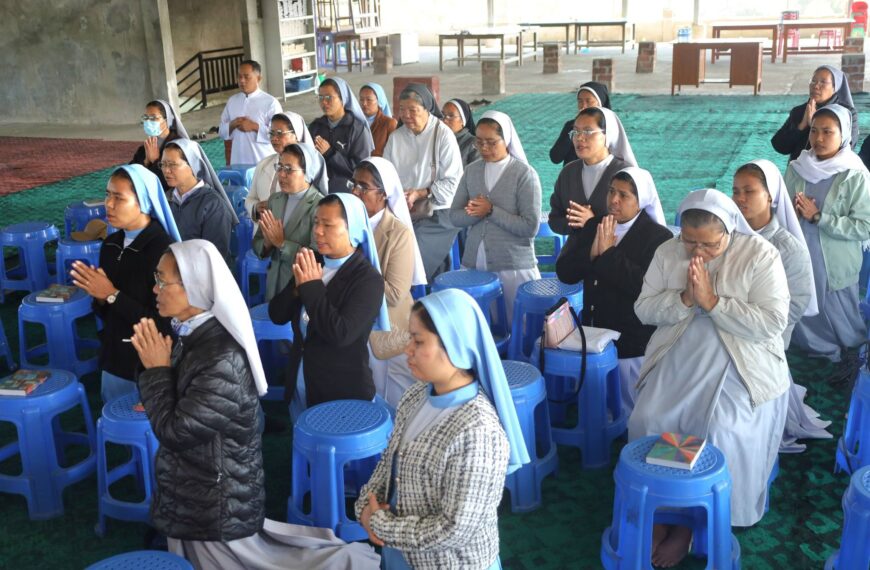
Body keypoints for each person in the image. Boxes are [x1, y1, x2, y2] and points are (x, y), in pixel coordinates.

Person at [130, 239, 379, 570]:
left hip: (215, 501)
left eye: (162, 279)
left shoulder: (220, 356)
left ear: (193, 285)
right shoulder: (193, 333)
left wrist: (157, 372)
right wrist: (156, 367)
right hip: (201, 488)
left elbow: (176, 431)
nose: (155, 287)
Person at [630, 189, 789, 566]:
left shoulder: (759, 255)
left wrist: (714, 303)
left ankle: (692, 522)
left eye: (710, 245)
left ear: (729, 232)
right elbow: (644, 309)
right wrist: (685, 299)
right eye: (690, 242)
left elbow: (772, 322)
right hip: (680, 347)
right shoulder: (669, 252)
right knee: (649, 418)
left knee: (722, 430)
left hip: (741, 356)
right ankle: (663, 510)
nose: (697, 252)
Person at [355, 289, 529, 570]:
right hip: (399, 556)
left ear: (455, 345)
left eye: (418, 340)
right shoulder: (415, 396)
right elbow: (389, 463)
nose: (407, 349)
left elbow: (455, 529)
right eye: (409, 337)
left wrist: (380, 524)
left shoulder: (478, 431)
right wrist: (365, 506)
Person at [732, 159, 832, 453]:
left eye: (748, 191)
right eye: (735, 191)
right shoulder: (727, 236)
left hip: (764, 339)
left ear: (771, 196)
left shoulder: (787, 247)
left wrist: (748, 325)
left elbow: (796, 304)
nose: (739, 199)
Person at [555, 167, 672, 411]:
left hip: (631, 341)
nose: (614, 200)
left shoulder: (658, 238)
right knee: (596, 406)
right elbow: (565, 272)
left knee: (630, 409)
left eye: (624, 195)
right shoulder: (596, 224)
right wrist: (591, 253)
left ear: (641, 202)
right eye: (611, 192)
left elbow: (643, 288)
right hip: (594, 333)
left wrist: (608, 254)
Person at [268, 193, 388, 414]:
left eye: (328, 225)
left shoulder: (367, 280)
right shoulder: (314, 261)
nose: (318, 231)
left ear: (352, 230)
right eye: (316, 223)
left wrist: (311, 287)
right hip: (302, 377)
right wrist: (296, 289)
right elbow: (277, 314)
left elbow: (340, 334)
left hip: (340, 390)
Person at [69, 164, 180, 404]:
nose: (108, 204)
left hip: (150, 361)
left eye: (119, 197)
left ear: (144, 202)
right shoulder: (110, 245)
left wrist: (111, 294)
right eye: (108, 195)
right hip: (115, 356)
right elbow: (106, 312)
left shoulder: (164, 252)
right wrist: (99, 297)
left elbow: (163, 322)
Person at [785, 103, 870, 363]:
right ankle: (810, 345)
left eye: (827, 132)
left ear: (843, 134)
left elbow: (864, 226)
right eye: (814, 131)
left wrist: (820, 217)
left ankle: (844, 346)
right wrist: (793, 214)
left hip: (834, 258)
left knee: (836, 309)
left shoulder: (855, 175)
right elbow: (783, 208)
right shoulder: (798, 167)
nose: (818, 139)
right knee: (802, 299)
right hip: (801, 251)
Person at [449, 110, 542, 323]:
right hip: (475, 263)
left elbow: (530, 227)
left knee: (517, 327)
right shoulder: (472, 171)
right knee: (478, 326)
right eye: (479, 142)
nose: (484, 148)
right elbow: (455, 216)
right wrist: (476, 213)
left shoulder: (524, 175)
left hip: (513, 266)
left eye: (491, 142)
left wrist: (491, 211)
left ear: (506, 139)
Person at [350, 157, 427, 408]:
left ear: (384, 195)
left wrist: (353, 263)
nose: (354, 191)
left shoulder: (398, 234)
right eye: (354, 184)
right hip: (352, 322)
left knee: (391, 404)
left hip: (387, 326)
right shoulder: (346, 223)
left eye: (363, 187)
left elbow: (394, 294)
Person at [384, 84, 463, 281]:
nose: (406, 115)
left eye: (413, 110)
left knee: (412, 249)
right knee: (383, 244)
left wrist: (420, 193)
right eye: (402, 110)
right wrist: (399, 197)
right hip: (403, 209)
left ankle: (411, 293)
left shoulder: (443, 135)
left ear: (426, 109)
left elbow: (454, 184)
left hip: (439, 210)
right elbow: (386, 176)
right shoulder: (396, 138)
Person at [253, 143, 327, 301]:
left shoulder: (320, 207)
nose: (281, 175)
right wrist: (267, 244)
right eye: (279, 167)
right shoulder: (275, 200)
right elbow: (257, 243)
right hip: (273, 284)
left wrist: (281, 244)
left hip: (299, 289)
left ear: (307, 173)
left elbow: (318, 258)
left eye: (288, 169)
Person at [548, 106, 637, 235]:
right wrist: (575, 222)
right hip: (573, 253)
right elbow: (554, 220)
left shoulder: (625, 174)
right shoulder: (568, 172)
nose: (579, 138)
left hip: (612, 253)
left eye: (588, 131)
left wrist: (591, 222)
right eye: (575, 132)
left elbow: (634, 228)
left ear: (607, 134)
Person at [163, 138, 238, 260]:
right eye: (163, 164)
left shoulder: (213, 205)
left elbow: (215, 255)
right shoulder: (166, 199)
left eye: (172, 164)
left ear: (192, 165)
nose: (166, 170)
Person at [245, 112, 317, 233]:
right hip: (263, 239)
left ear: (296, 135)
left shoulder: (309, 168)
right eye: (271, 133)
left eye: (279, 133)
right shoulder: (264, 165)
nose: (274, 138)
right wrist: (256, 208)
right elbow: (251, 198)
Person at [771, 65, 858, 162]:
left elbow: (848, 147)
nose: (816, 86)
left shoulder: (846, 114)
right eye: (813, 81)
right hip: (799, 171)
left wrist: (814, 124)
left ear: (835, 88)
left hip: (832, 171)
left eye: (823, 82)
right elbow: (779, 146)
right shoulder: (800, 111)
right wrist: (801, 126)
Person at [309, 77, 375, 194]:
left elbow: (360, 170)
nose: (324, 102)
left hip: (346, 191)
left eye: (329, 97)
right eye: (320, 98)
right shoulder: (316, 127)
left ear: (342, 99)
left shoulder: (357, 129)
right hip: (317, 190)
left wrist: (330, 153)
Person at [219, 59, 283, 165]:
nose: (242, 81)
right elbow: (221, 131)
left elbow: (279, 135)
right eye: (239, 77)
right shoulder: (232, 101)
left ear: (258, 78)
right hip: (237, 163)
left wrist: (255, 127)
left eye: (246, 77)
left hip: (262, 163)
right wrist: (232, 124)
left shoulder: (271, 103)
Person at [549, 81, 612, 168]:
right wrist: (573, 133)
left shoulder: (610, 128)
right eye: (580, 101)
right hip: (571, 178)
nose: (583, 106)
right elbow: (555, 158)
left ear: (600, 103)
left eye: (588, 101)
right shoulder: (571, 126)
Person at [130, 99, 189, 189]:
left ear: (167, 119)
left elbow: (171, 183)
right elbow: (130, 175)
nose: (148, 122)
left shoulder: (179, 147)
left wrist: (155, 161)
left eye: (154, 118)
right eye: (146, 118)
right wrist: (146, 162)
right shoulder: (144, 148)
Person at [359, 82, 397, 157]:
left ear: (379, 101)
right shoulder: (356, 122)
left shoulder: (389, 124)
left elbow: (395, 153)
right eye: (361, 99)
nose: (364, 103)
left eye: (369, 100)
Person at [442, 98, 481, 167]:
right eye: (443, 115)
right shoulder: (438, 139)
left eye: (451, 116)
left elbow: (475, 172)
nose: (444, 120)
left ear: (463, 121)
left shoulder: (472, 144)